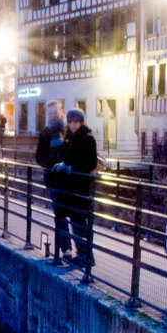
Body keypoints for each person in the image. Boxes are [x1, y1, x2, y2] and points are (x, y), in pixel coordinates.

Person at [51, 109, 100, 271]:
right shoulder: (70, 138)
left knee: (80, 223)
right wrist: (63, 164)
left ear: (81, 122)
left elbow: (90, 163)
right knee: (75, 221)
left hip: (80, 187)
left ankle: (87, 257)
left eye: (75, 122)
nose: (72, 125)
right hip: (70, 188)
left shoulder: (87, 139)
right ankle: (81, 254)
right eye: (70, 122)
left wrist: (70, 166)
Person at [35, 111, 68, 259]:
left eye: (55, 112)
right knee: (60, 213)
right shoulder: (45, 133)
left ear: (61, 112)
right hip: (54, 178)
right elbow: (39, 157)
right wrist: (51, 164)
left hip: (68, 177)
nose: (52, 116)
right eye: (51, 112)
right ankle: (66, 248)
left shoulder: (67, 130)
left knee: (70, 213)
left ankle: (77, 251)